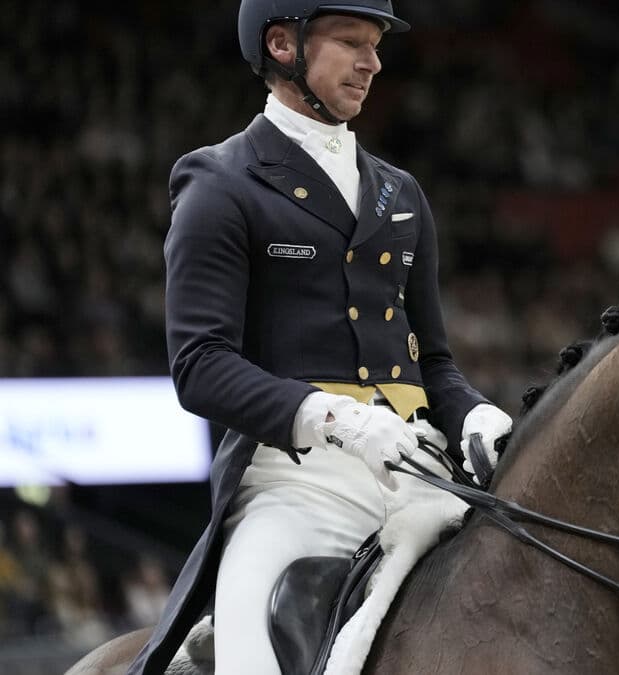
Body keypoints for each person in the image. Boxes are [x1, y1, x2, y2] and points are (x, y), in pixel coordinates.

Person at [128, 2, 512, 672]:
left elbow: (435, 363)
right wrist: (340, 420)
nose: (373, 62)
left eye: (376, 46)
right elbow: (199, 363)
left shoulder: (401, 193)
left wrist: (474, 409)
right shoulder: (222, 183)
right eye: (350, 42)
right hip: (295, 485)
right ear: (282, 44)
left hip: (420, 471)